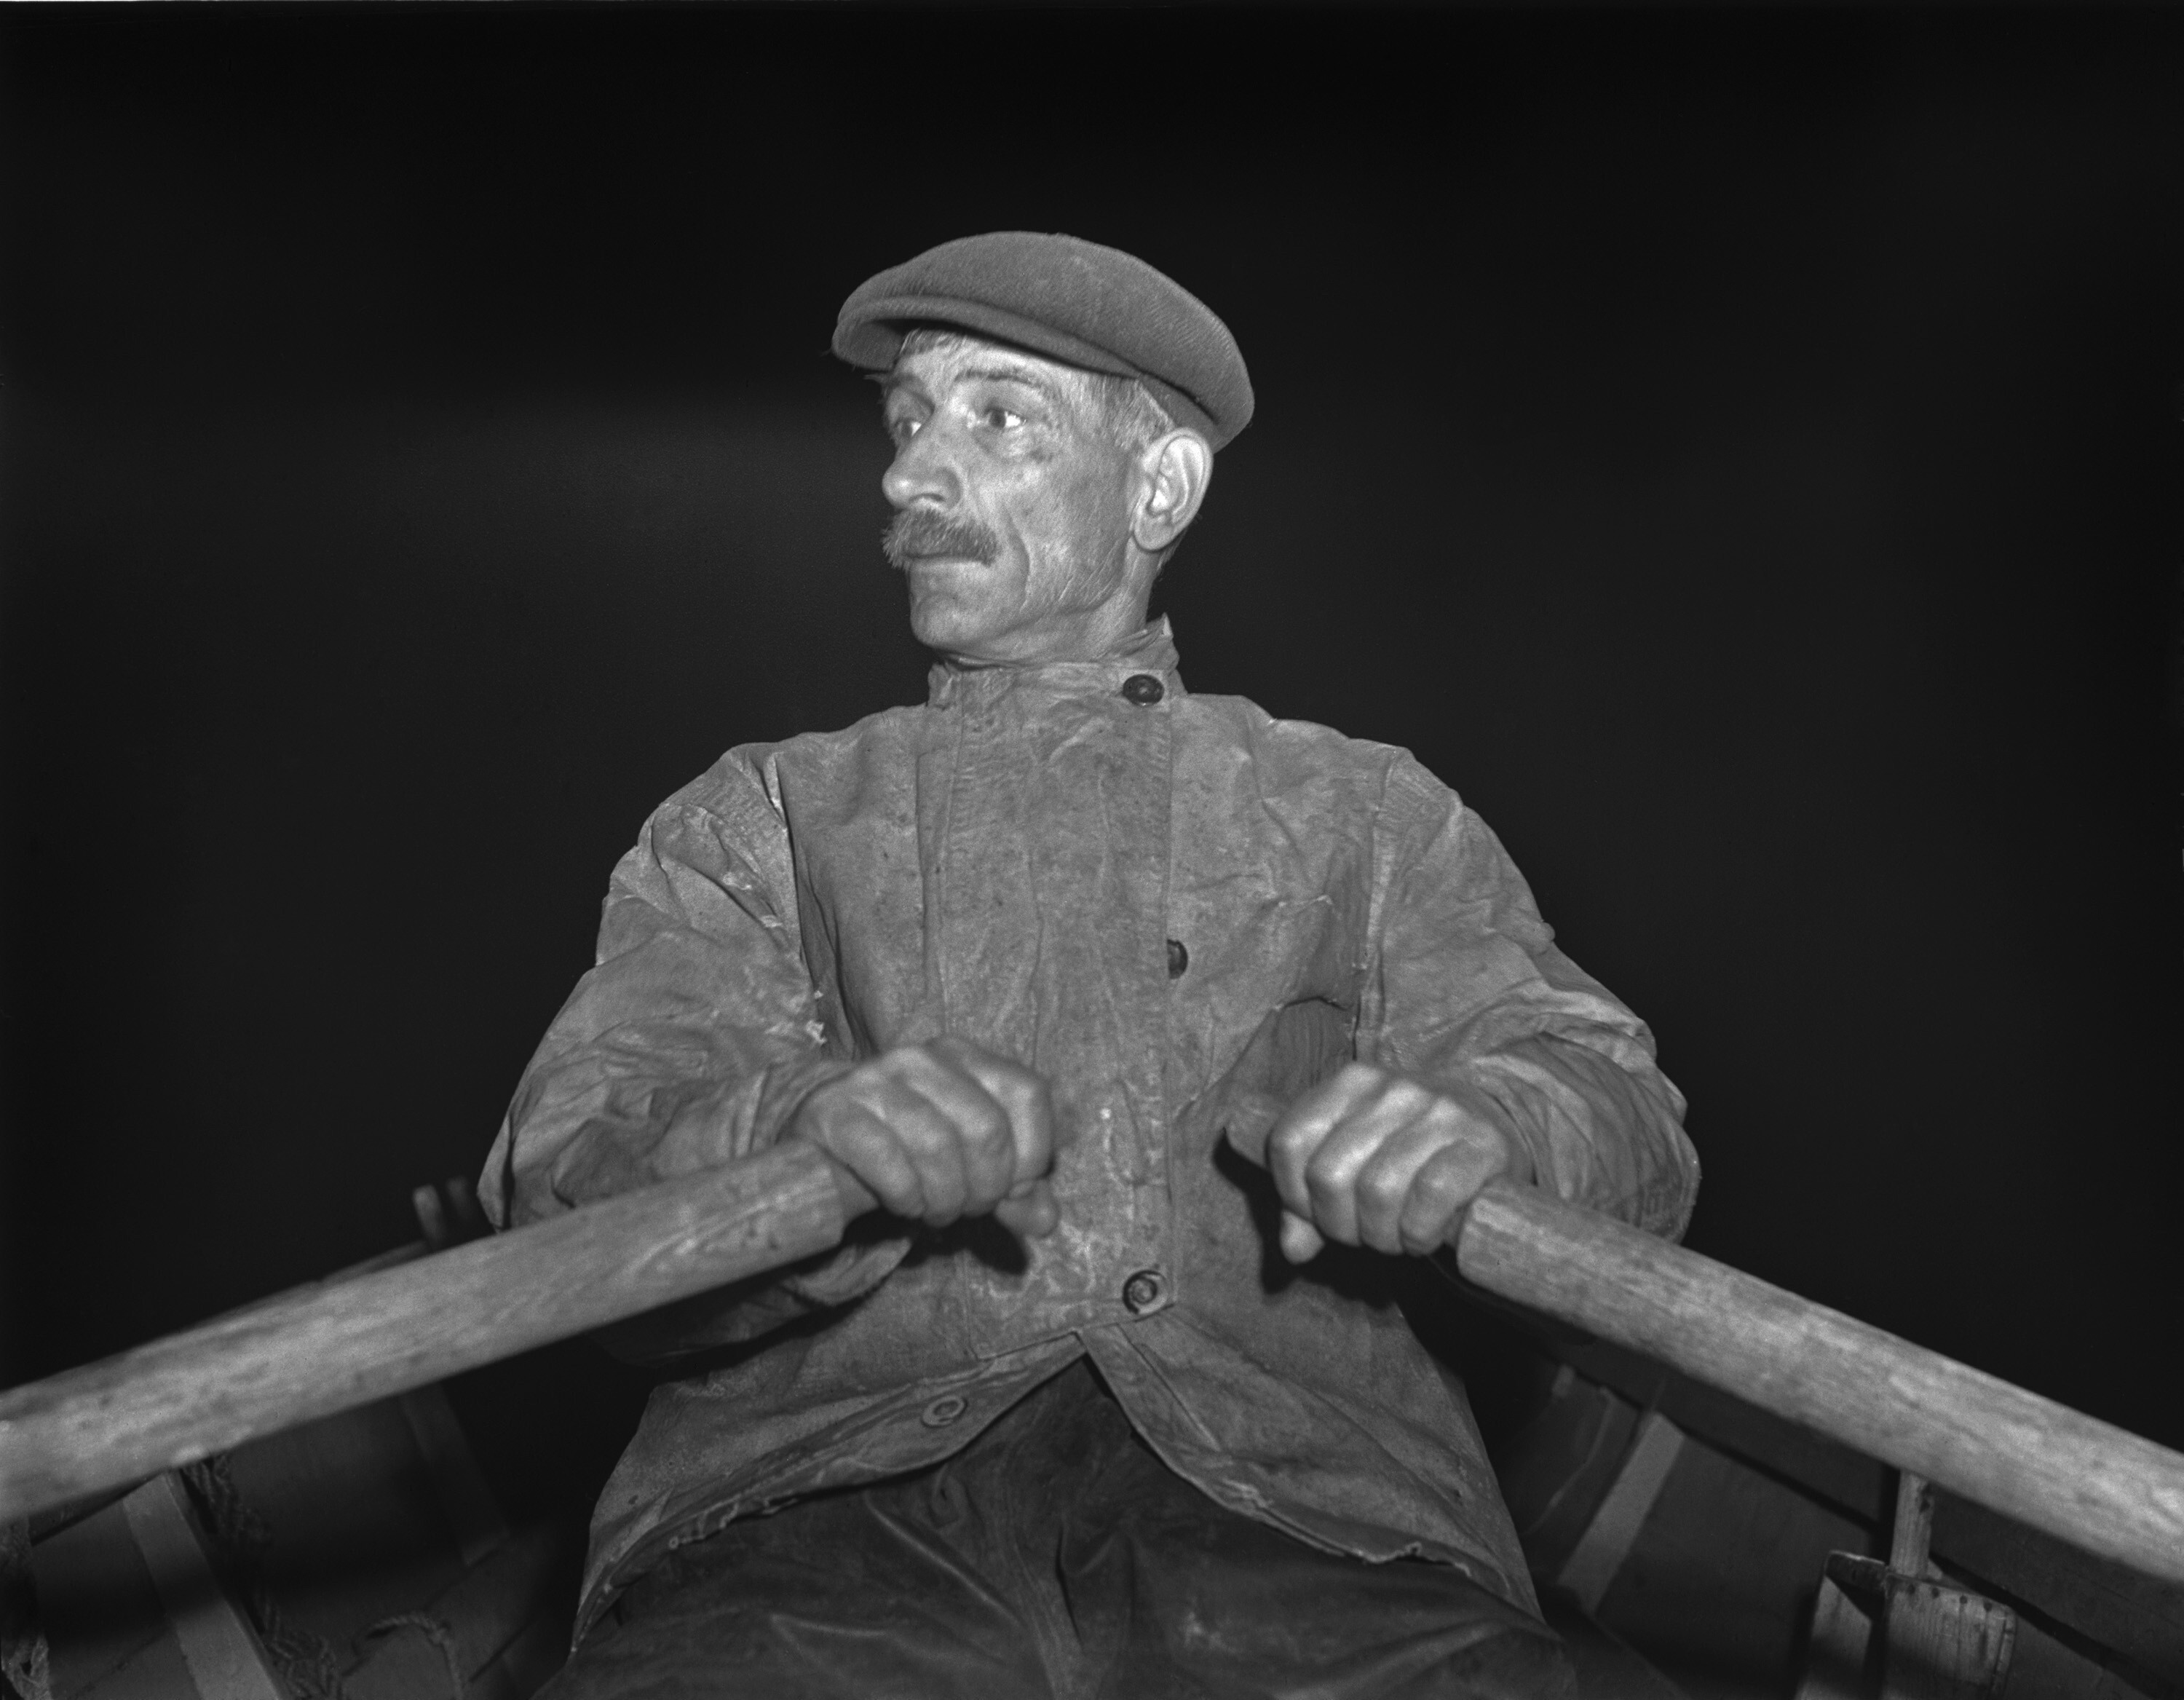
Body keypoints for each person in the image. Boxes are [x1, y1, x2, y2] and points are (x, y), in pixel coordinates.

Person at [483, 232, 1701, 1700]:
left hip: (1313, 1521)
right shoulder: (763, 813)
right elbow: (566, 1174)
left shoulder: (1356, 807)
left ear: (1159, 488)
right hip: (805, 1522)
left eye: (997, 419)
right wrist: (798, 1128)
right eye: (907, 420)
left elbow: (1627, 1119)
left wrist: (1496, 1122)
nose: (910, 477)